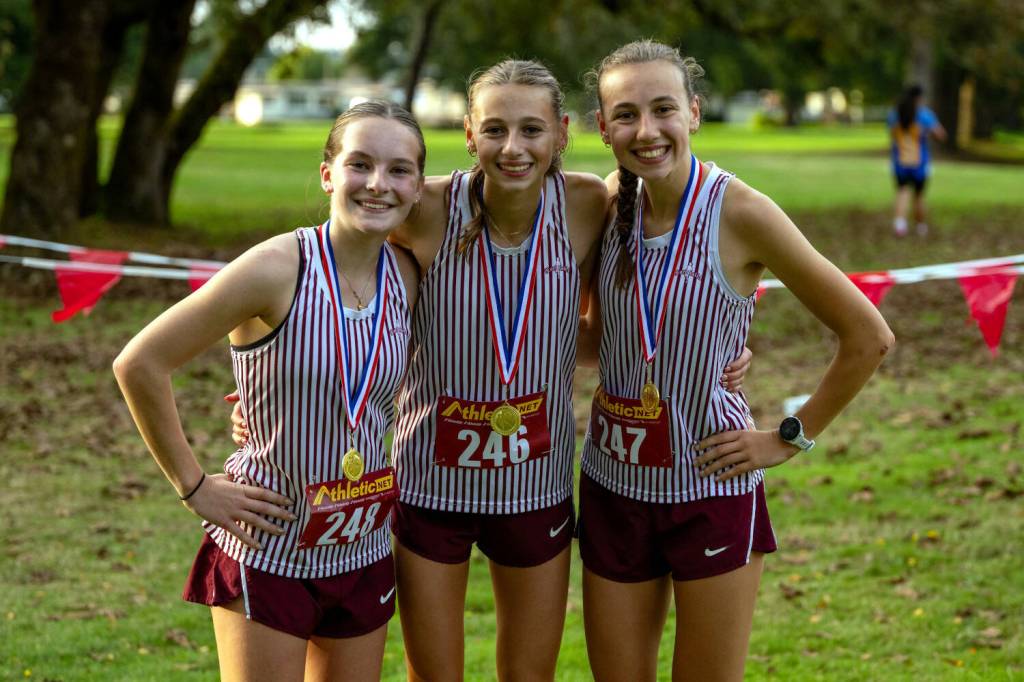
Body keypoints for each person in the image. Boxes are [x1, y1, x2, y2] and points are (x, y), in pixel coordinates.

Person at [230, 61, 751, 681]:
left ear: (561, 132)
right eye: (495, 129)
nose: (513, 147)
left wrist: (718, 353)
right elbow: (331, 276)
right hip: (431, 486)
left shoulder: (591, 204)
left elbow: (609, 326)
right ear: (470, 134)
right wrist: (260, 386)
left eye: (532, 129)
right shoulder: (418, 207)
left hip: (537, 484)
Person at [577, 40, 894, 682]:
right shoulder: (609, 203)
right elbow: (597, 338)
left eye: (662, 109)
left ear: (693, 112)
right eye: (626, 114)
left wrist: (790, 436)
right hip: (614, 482)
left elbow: (869, 337)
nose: (647, 130)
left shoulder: (743, 212)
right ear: (603, 127)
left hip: (710, 485)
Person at [114, 100, 424, 682]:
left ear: (417, 186)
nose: (378, 184)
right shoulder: (275, 268)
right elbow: (141, 364)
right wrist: (195, 486)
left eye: (398, 169)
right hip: (270, 545)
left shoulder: (407, 276)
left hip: (362, 546)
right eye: (360, 164)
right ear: (329, 173)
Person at [888, 84, 947, 236]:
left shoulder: (894, 114)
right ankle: (921, 227)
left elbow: (892, 135)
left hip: (900, 162)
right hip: (919, 163)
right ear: (919, 98)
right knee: (919, 195)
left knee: (902, 191)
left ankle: (900, 224)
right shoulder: (925, 115)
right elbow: (940, 134)